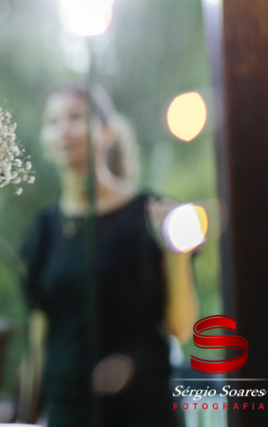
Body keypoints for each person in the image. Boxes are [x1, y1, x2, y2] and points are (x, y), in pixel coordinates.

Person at [21, 83, 198, 427]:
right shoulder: (44, 230)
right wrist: (27, 411)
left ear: (106, 132)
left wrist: (176, 258)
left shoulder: (150, 214)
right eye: (53, 121)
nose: (63, 130)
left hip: (143, 410)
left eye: (76, 118)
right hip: (68, 410)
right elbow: (39, 336)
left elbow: (182, 328)